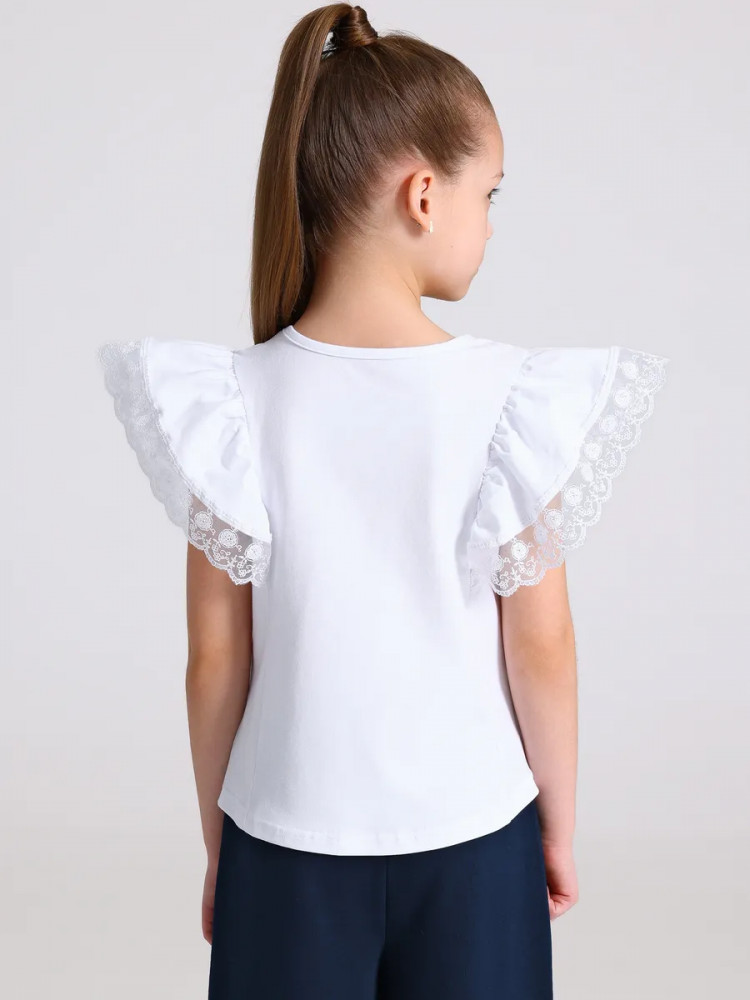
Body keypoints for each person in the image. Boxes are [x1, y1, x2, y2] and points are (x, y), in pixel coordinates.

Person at [96, 4, 670, 998]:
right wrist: (559, 826)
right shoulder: (512, 402)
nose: (491, 223)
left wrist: (223, 844)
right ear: (424, 194)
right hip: (476, 840)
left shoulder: (227, 405)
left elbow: (215, 659)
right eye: (489, 193)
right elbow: (541, 646)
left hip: (284, 843)